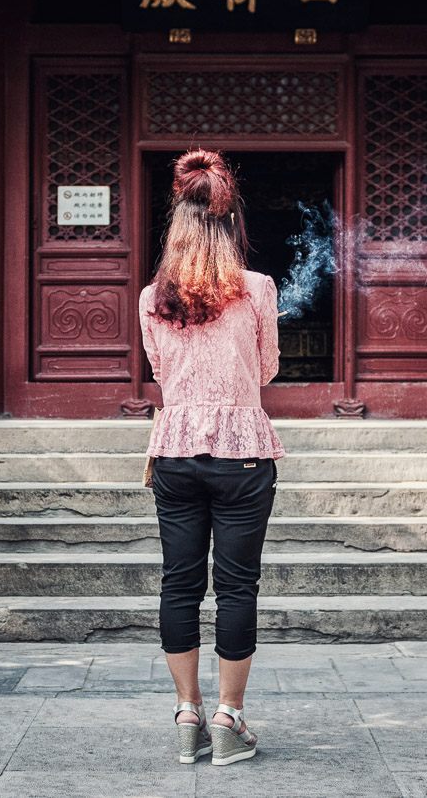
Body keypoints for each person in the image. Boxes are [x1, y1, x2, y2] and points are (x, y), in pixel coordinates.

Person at [139, 149, 285, 767]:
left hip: (173, 450)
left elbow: (157, 369)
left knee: (178, 583)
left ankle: (186, 715)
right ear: (232, 225)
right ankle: (229, 718)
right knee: (236, 586)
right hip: (243, 452)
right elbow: (269, 369)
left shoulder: (153, 297)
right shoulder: (255, 290)